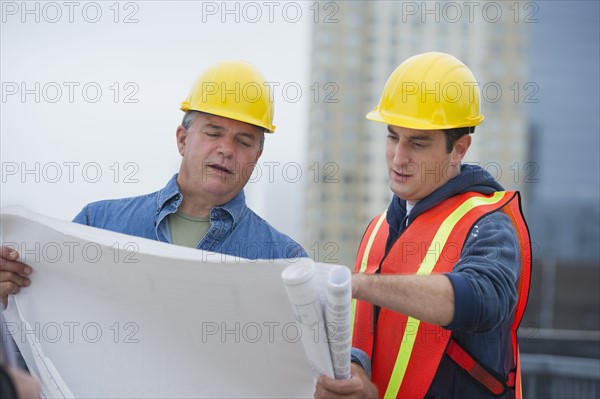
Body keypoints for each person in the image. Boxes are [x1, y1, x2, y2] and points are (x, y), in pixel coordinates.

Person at [0, 60, 308, 308]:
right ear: (183, 140)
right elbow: (42, 331)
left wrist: (356, 368)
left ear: (257, 155)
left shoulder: (282, 259)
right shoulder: (98, 225)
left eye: (243, 141)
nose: (226, 149)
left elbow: (319, 355)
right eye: (213, 133)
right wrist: (10, 291)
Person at [315, 52, 531, 399]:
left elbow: (484, 299)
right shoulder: (379, 228)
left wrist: (358, 285)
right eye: (392, 137)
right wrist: (355, 373)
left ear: (458, 149)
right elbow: (369, 332)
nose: (399, 157)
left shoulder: (488, 223)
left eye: (417, 142)